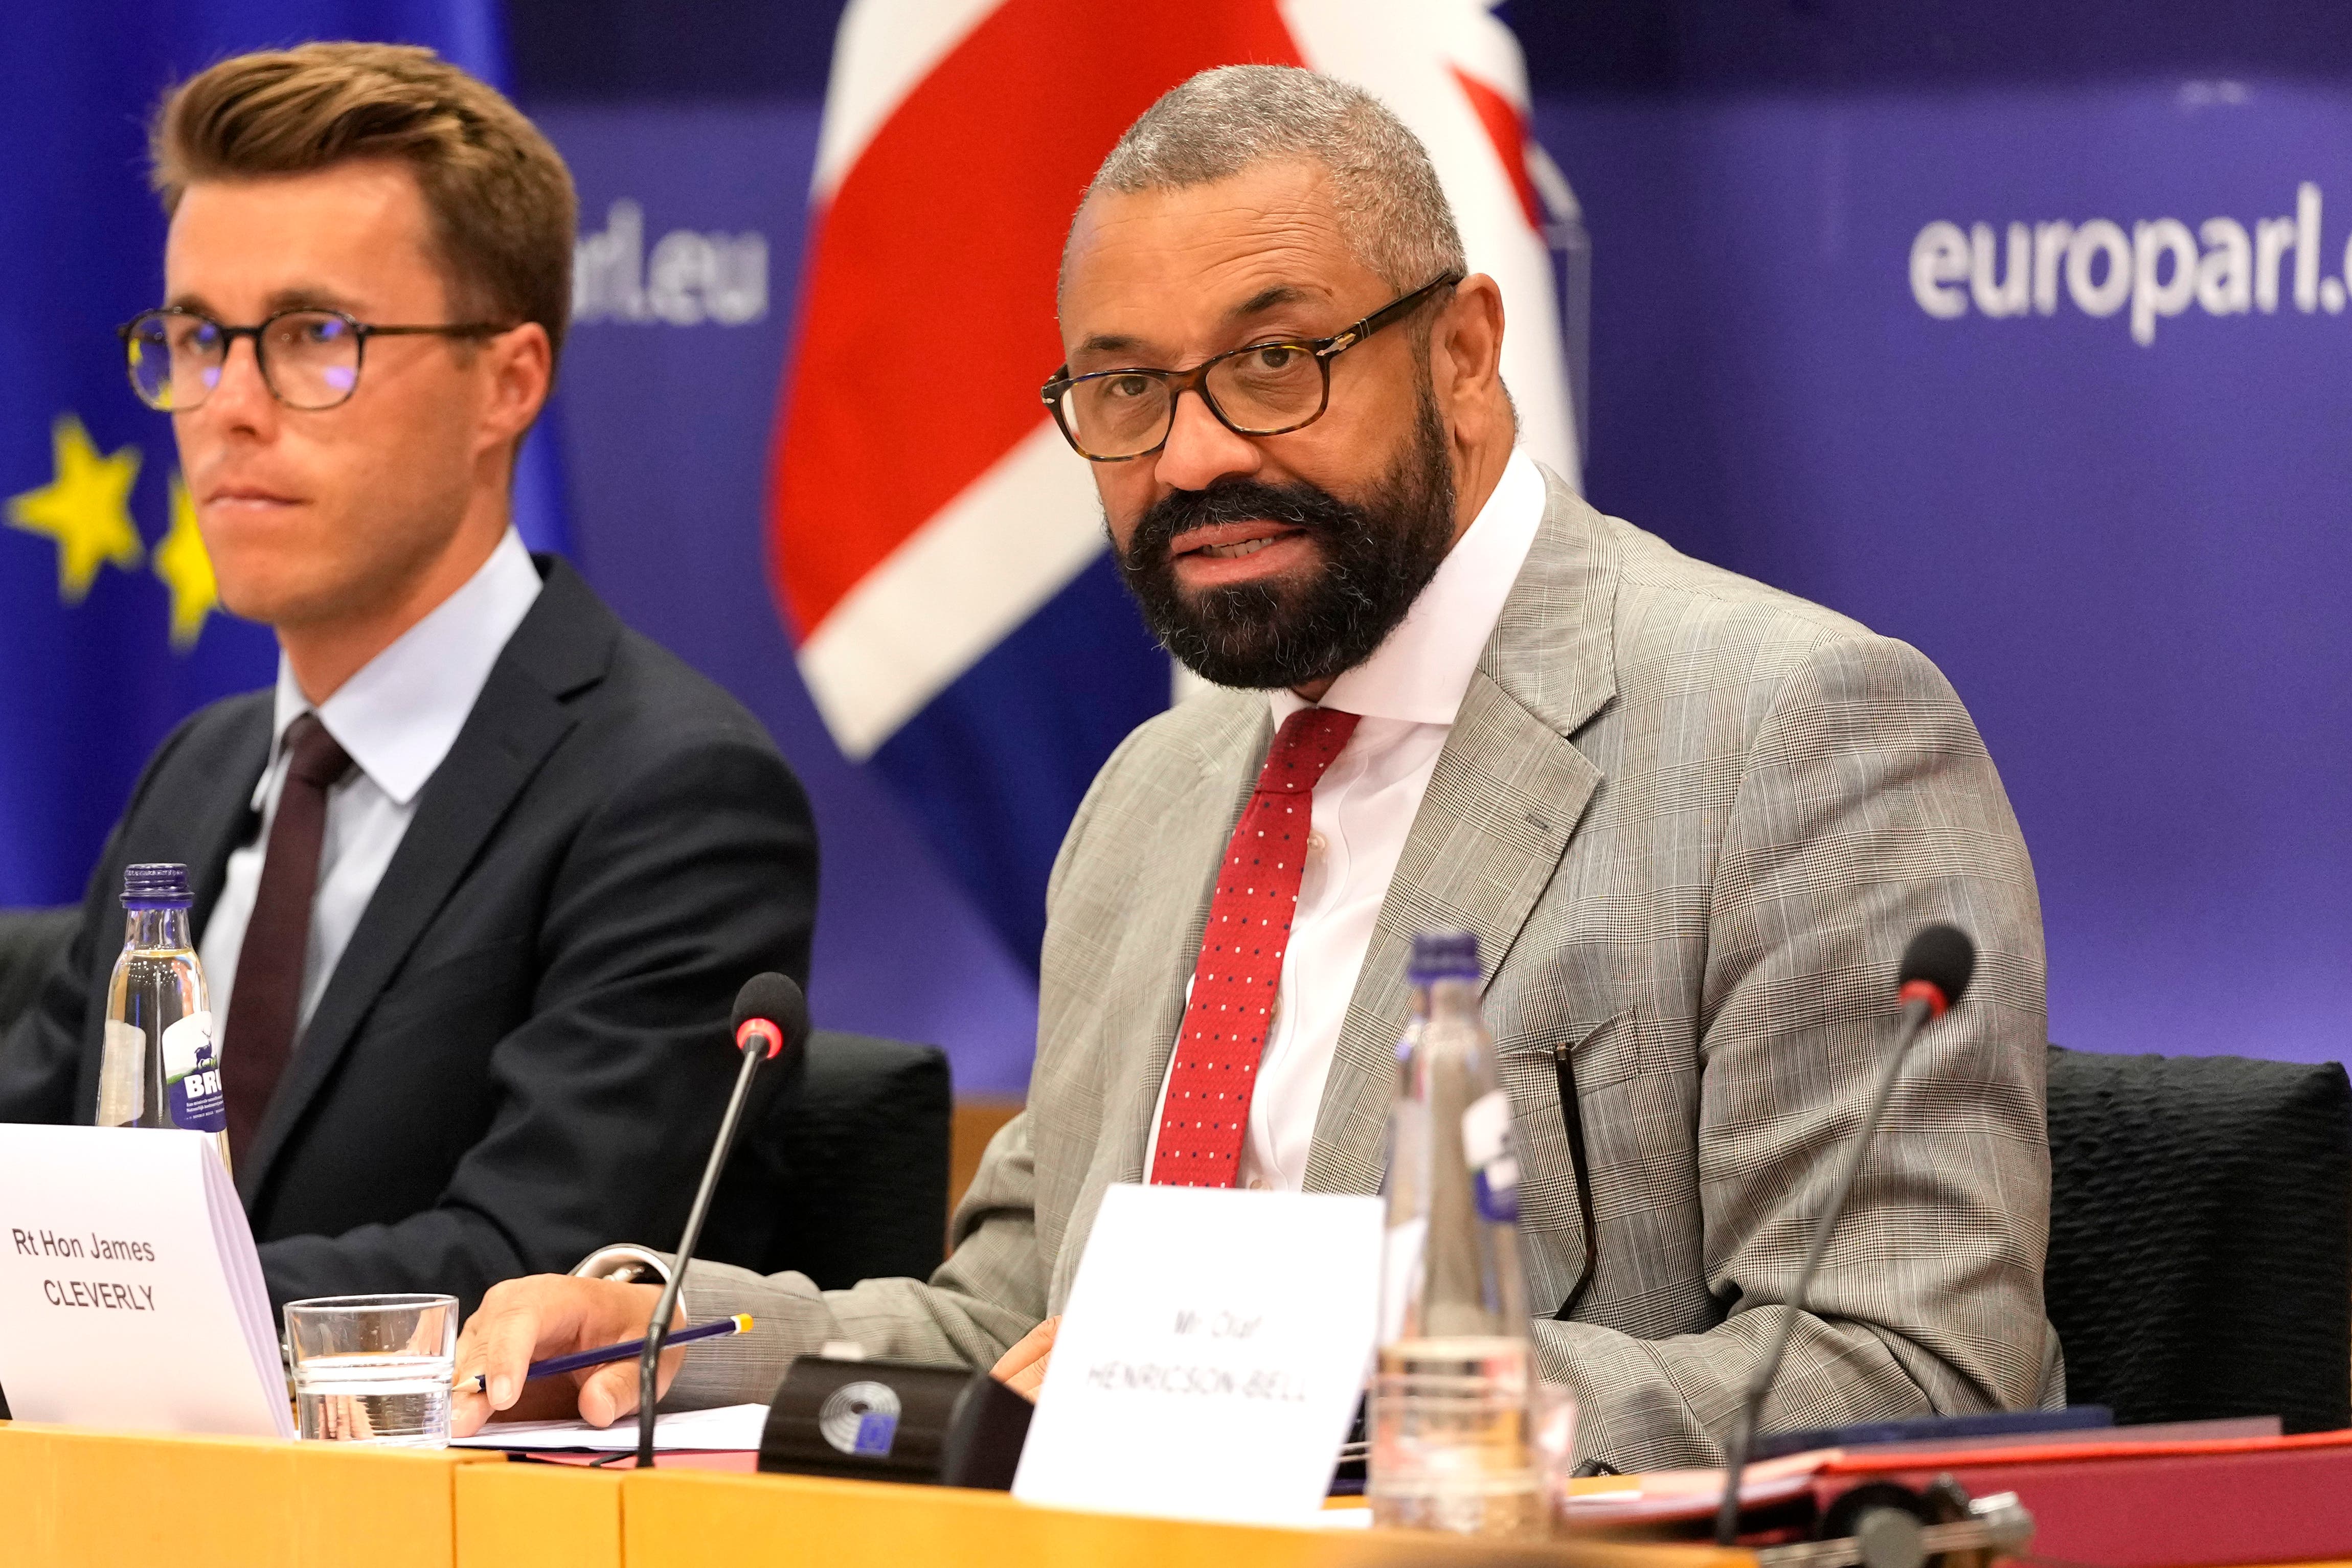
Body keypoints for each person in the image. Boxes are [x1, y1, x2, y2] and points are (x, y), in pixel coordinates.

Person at [454, 65, 2056, 1472]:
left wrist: (1314, 1393)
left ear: (1466, 354)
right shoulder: (1158, 787)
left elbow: (1912, 1372)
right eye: (1127, 388)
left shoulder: (1794, 734)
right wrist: (666, 1331)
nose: (1198, 452)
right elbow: (1015, 1320)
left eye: (1277, 360)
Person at [0, 44, 818, 1315]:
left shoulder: (675, 796)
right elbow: (39, 1163)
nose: (226, 406)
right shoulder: (202, 770)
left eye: (312, 337)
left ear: (508, 382)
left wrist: (102, 1312)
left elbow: (528, 1266)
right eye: (195, 337)